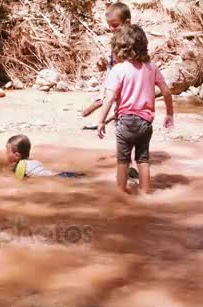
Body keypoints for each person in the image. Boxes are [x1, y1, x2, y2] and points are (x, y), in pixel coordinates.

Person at [93, 24, 174, 194]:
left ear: (119, 47)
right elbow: (166, 91)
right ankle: (146, 193)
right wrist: (169, 114)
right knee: (143, 160)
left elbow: (109, 99)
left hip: (126, 122)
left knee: (123, 161)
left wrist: (100, 121)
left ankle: (121, 194)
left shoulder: (119, 70)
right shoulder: (151, 67)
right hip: (146, 123)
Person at [81, 2, 140, 181]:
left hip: (128, 91)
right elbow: (112, 67)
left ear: (127, 22)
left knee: (125, 125)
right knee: (122, 124)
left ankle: (128, 165)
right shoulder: (118, 40)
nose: (112, 29)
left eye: (115, 26)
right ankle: (129, 162)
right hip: (118, 90)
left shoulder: (135, 41)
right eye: (110, 26)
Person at [6, 135, 85, 180]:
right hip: (60, 174)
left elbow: (19, 182)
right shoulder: (33, 161)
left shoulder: (20, 166)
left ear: (17, 155)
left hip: (56, 178)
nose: (6, 153)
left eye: (7, 151)